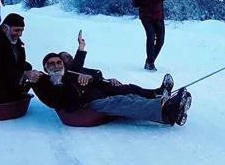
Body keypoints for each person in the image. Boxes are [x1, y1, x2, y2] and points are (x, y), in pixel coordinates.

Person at [32, 53, 191, 126]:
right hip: (85, 106)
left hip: (95, 95)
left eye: (58, 63)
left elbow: (91, 80)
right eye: (51, 64)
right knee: (122, 102)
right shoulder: (46, 83)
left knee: (128, 94)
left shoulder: (69, 75)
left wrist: (91, 80)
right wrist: (58, 83)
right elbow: (62, 102)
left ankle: (163, 101)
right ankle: (167, 112)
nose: (56, 66)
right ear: (45, 68)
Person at [59, 30, 173, 98]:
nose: (69, 58)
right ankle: (158, 96)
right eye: (66, 58)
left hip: (105, 85)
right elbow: (78, 65)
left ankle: (158, 94)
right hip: (99, 93)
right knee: (130, 90)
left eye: (70, 56)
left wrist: (109, 79)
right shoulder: (69, 73)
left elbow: (96, 74)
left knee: (131, 89)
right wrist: (81, 47)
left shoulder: (77, 69)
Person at [132, 0, 168, 71]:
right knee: (151, 36)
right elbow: (134, 4)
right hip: (145, 16)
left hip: (158, 15)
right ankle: (150, 64)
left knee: (161, 41)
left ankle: (149, 61)